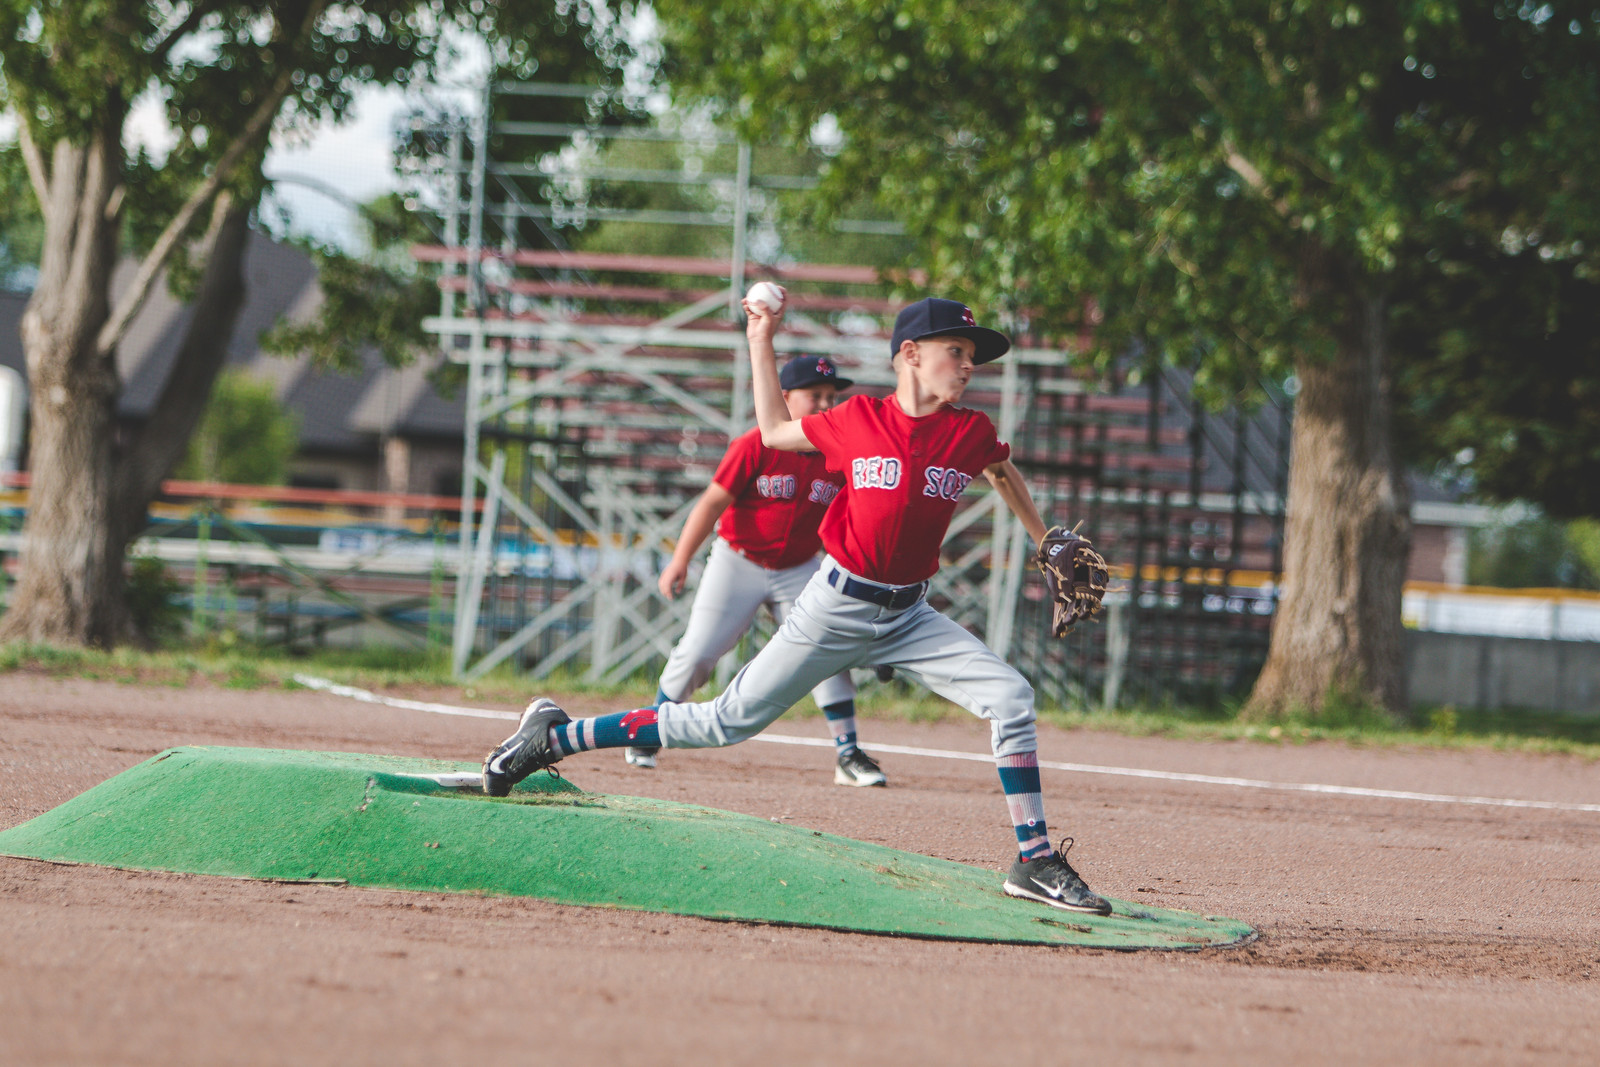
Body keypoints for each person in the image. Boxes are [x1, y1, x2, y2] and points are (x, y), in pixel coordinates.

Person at [482, 295, 1114, 915]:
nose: (969, 364)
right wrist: (761, 339)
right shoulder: (857, 419)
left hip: (910, 618)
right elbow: (776, 430)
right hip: (833, 608)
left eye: (973, 355)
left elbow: (1002, 470)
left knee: (1011, 697)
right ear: (911, 355)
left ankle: (1033, 859)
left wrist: (1044, 538)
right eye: (957, 350)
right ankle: (556, 736)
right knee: (721, 724)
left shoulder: (968, 431)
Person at [625, 354, 887, 788]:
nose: (824, 404)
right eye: (813, 395)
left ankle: (847, 752)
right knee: (699, 651)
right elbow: (712, 503)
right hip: (738, 560)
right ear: (783, 398)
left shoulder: (837, 455)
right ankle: (650, 728)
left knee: (827, 648)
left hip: (800, 567)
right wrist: (680, 558)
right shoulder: (754, 444)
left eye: (830, 396)